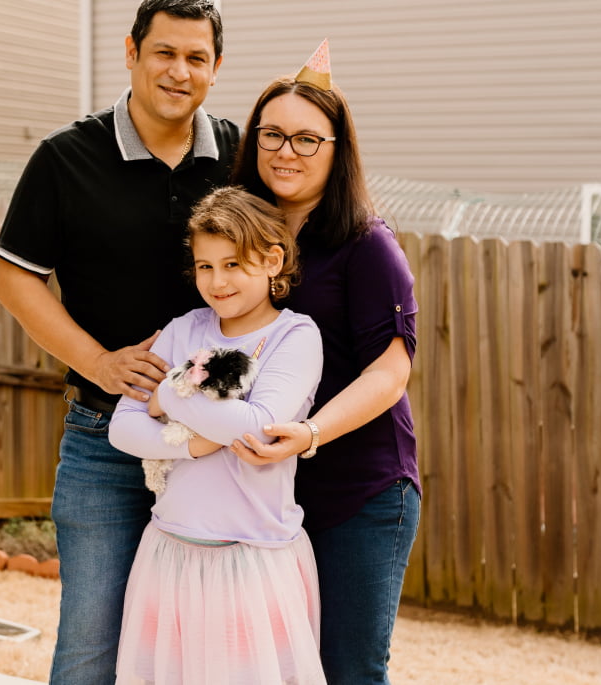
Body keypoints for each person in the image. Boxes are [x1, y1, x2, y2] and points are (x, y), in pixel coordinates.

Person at [0, 1, 239, 682]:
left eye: (195, 58)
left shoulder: (240, 157)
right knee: (90, 648)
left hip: (216, 445)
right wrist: (98, 362)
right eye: (164, 52)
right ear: (130, 52)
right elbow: (14, 280)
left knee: (206, 647)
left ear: (216, 69)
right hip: (103, 441)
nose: (178, 71)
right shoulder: (65, 158)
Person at [228, 41, 422, 685]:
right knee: (273, 666)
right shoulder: (240, 243)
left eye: (309, 139)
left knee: (348, 668)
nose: (287, 151)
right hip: (269, 495)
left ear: (337, 151)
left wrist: (310, 434)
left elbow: (390, 372)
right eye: (274, 134)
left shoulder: (367, 243)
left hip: (360, 490)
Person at [108, 186, 326, 684]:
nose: (217, 281)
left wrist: (168, 395)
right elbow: (122, 428)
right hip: (170, 550)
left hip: (250, 556)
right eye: (205, 266)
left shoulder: (295, 337)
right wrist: (190, 445)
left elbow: (258, 429)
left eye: (232, 264)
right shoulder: (185, 328)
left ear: (273, 260)